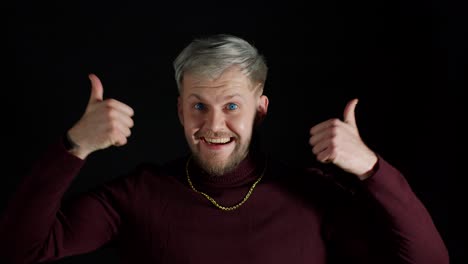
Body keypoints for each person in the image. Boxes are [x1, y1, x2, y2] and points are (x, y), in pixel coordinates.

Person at [0, 34, 449, 264]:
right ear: (179, 110)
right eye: (199, 105)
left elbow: (429, 260)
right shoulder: (135, 196)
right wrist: (73, 147)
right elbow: (22, 251)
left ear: (261, 108)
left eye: (232, 105)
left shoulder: (312, 197)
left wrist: (372, 170)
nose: (214, 125)